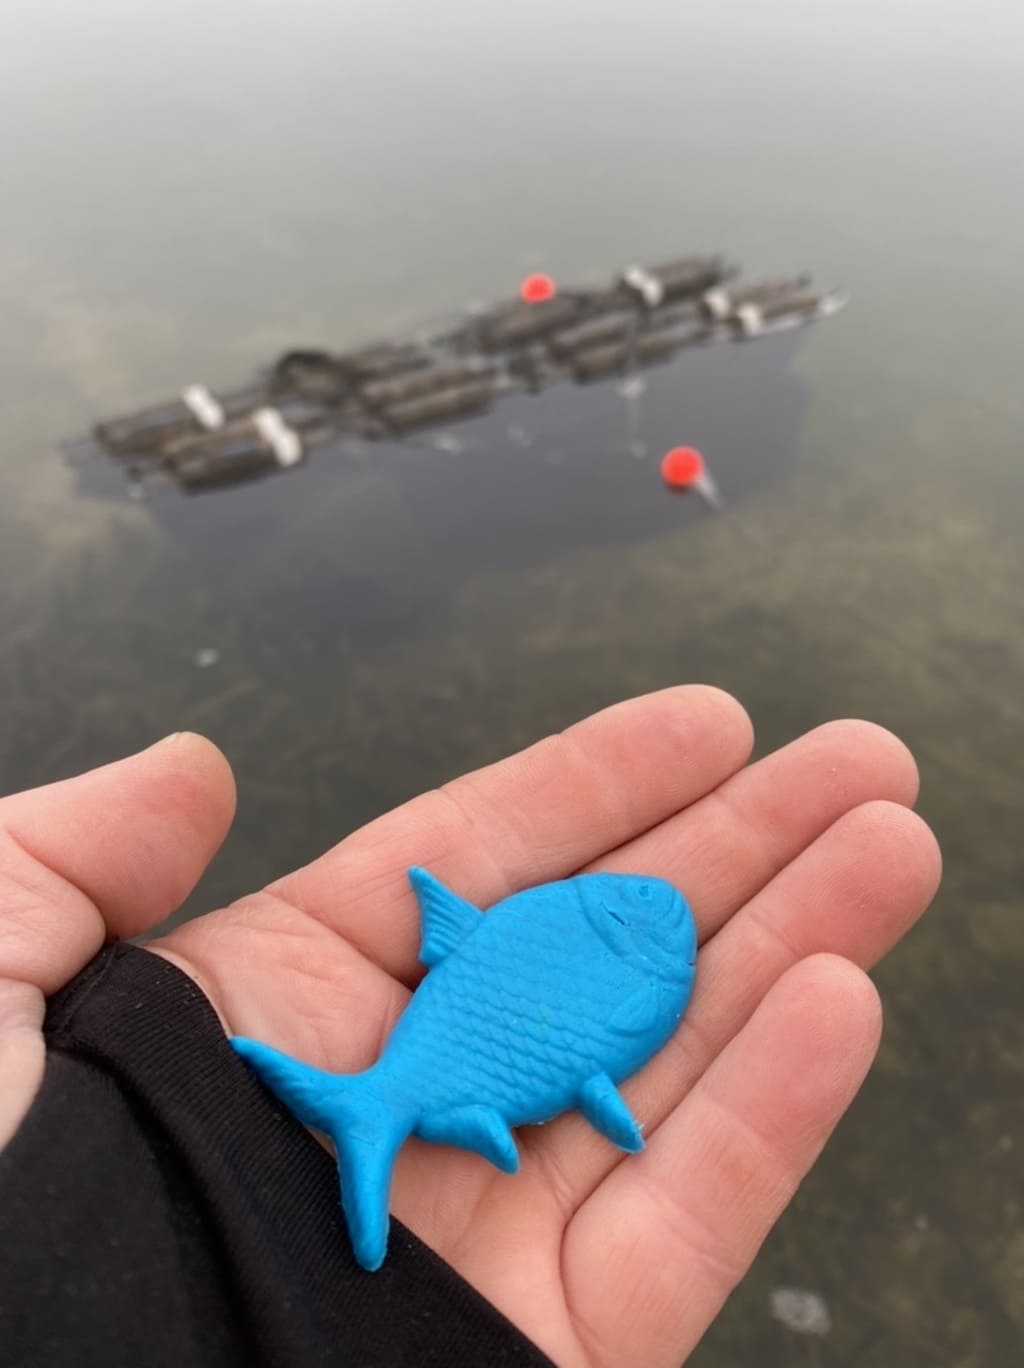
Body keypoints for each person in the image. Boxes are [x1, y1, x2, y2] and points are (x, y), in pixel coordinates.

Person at [0, 686, 940, 1367]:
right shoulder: (635, 967)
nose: (659, 913)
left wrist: (97, 1162)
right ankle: (371, 1112)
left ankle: (370, 1111)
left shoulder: (594, 940)